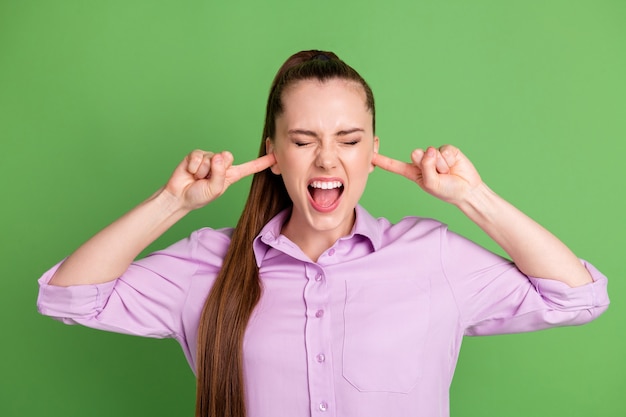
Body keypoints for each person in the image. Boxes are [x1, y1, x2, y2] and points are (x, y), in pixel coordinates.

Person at [37, 50, 609, 417]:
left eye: (349, 139)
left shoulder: (430, 255)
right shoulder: (210, 264)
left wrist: (471, 198)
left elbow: (578, 295)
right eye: (305, 139)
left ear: (373, 153)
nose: (327, 160)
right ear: (274, 156)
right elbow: (68, 295)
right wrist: (171, 203)